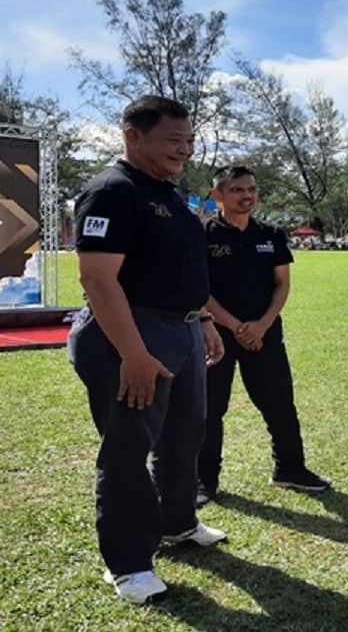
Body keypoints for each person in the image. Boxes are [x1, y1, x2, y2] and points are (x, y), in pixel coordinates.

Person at [67, 95, 227, 605]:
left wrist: (203, 320)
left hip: (180, 331)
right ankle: (129, 564)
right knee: (127, 451)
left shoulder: (169, 194)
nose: (185, 150)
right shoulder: (113, 191)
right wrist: (133, 354)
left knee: (183, 437)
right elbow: (97, 278)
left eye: (190, 140)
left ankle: (177, 523)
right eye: (173, 140)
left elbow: (179, 270)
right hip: (131, 334)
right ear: (132, 136)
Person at [196, 166, 330, 506]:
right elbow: (199, 288)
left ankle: (290, 469)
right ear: (217, 195)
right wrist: (235, 327)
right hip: (216, 335)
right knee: (210, 408)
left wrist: (262, 325)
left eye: (252, 189)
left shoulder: (270, 234)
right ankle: (204, 480)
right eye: (237, 190)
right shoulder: (202, 234)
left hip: (265, 332)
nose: (247, 196)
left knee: (279, 402)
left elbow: (282, 284)